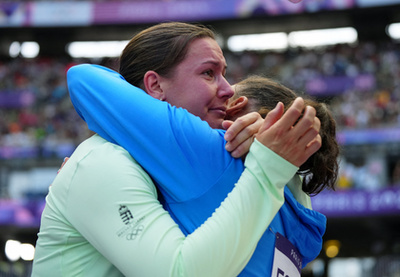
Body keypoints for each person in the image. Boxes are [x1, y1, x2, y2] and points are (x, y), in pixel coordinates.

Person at [32, 22, 322, 277]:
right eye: (209, 73)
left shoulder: (176, 168)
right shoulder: (101, 162)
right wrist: (268, 166)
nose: (228, 90)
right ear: (155, 86)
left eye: (224, 74)